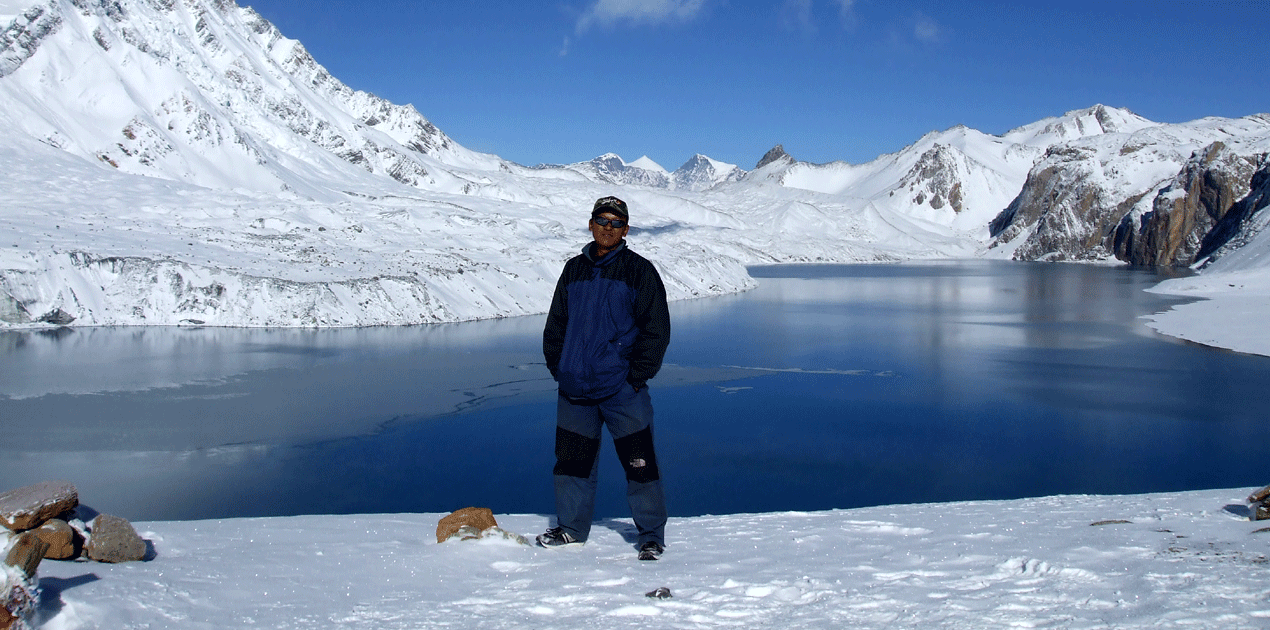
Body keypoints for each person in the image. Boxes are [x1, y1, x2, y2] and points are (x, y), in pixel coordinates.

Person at [538, 195, 672, 561]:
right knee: (572, 465)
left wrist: (636, 377)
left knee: (640, 464)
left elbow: (656, 330)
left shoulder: (639, 271)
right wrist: (561, 368)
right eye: (602, 220)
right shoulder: (574, 270)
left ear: (626, 230)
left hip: (621, 391)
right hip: (575, 390)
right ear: (591, 224)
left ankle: (650, 536)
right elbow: (556, 325)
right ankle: (571, 529)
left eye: (616, 223)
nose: (608, 228)